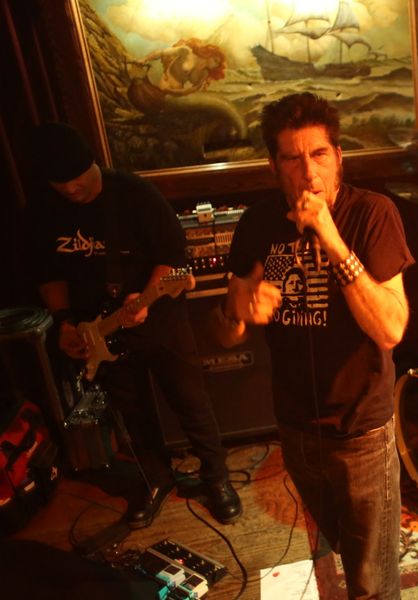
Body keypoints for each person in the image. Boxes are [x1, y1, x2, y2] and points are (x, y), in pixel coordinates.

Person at [211, 92, 414, 599]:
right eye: (292, 158)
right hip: (295, 426)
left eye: (319, 154)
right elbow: (225, 333)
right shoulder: (258, 223)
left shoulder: (371, 214)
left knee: (372, 581)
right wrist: (237, 312)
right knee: (338, 545)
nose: (308, 172)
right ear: (273, 165)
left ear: (338, 157)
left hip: (361, 431)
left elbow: (391, 328)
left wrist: (332, 238)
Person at [26, 123, 242, 528]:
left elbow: (173, 256)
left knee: (190, 400)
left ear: (91, 162)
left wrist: (144, 297)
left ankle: (217, 478)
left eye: (77, 178)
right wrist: (65, 323)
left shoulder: (134, 195)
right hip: (97, 330)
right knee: (132, 411)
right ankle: (156, 478)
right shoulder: (43, 210)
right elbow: (47, 272)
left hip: (157, 318)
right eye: (61, 183)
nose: (71, 189)